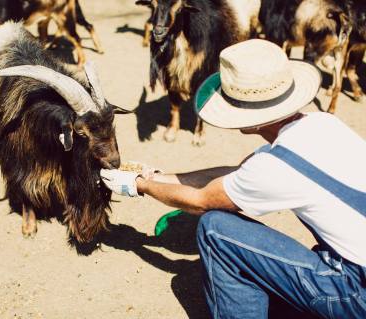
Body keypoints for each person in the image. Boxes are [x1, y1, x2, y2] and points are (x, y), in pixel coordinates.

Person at [100, 39, 366, 319]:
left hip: (357, 292)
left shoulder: (273, 167)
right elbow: (235, 173)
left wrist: (138, 186)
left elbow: (201, 201)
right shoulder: (323, 125)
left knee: (215, 230)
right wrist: (152, 175)